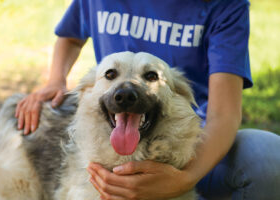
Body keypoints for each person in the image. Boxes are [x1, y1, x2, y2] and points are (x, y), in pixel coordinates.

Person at [15, 0, 280, 199]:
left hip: (195, 151)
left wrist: (184, 178)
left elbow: (224, 114)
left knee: (269, 157)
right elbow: (71, 36)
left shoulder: (225, 4)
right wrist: (55, 80)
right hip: (105, 149)